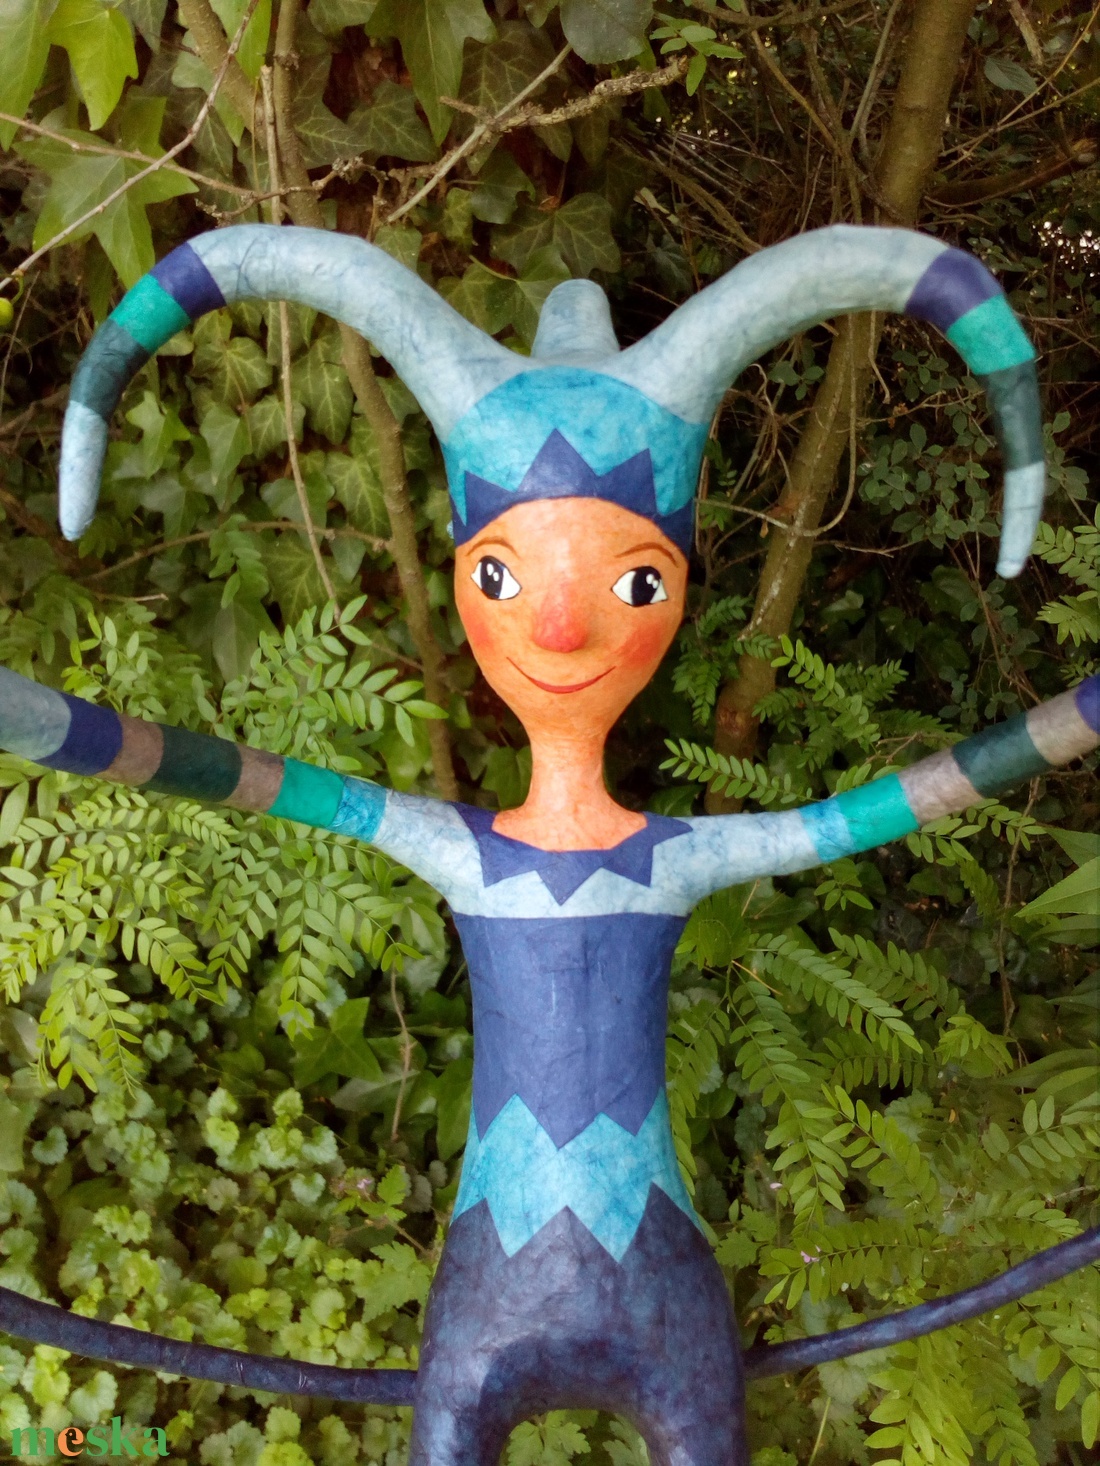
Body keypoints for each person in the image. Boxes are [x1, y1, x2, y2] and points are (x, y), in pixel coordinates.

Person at [1, 223, 1097, 1465]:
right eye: (503, 577)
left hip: (634, 1278)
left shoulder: (648, 855)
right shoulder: (495, 850)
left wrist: (1066, 722)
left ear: (673, 594)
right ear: (464, 581)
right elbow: (221, 772)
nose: (562, 627)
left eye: (632, 583)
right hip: (503, 1281)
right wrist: (50, 725)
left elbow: (893, 803)